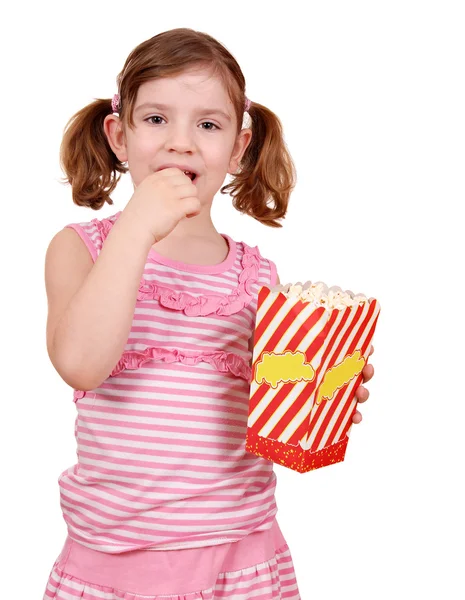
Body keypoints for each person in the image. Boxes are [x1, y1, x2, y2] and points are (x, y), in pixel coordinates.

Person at [42, 27, 375, 600]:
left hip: (244, 553)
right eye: (155, 120)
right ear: (119, 136)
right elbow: (80, 364)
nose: (181, 142)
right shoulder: (82, 248)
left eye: (208, 124)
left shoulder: (257, 275)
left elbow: (264, 408)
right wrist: (138, 227)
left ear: (238, 147)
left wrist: (321, 391)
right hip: (118, 562)